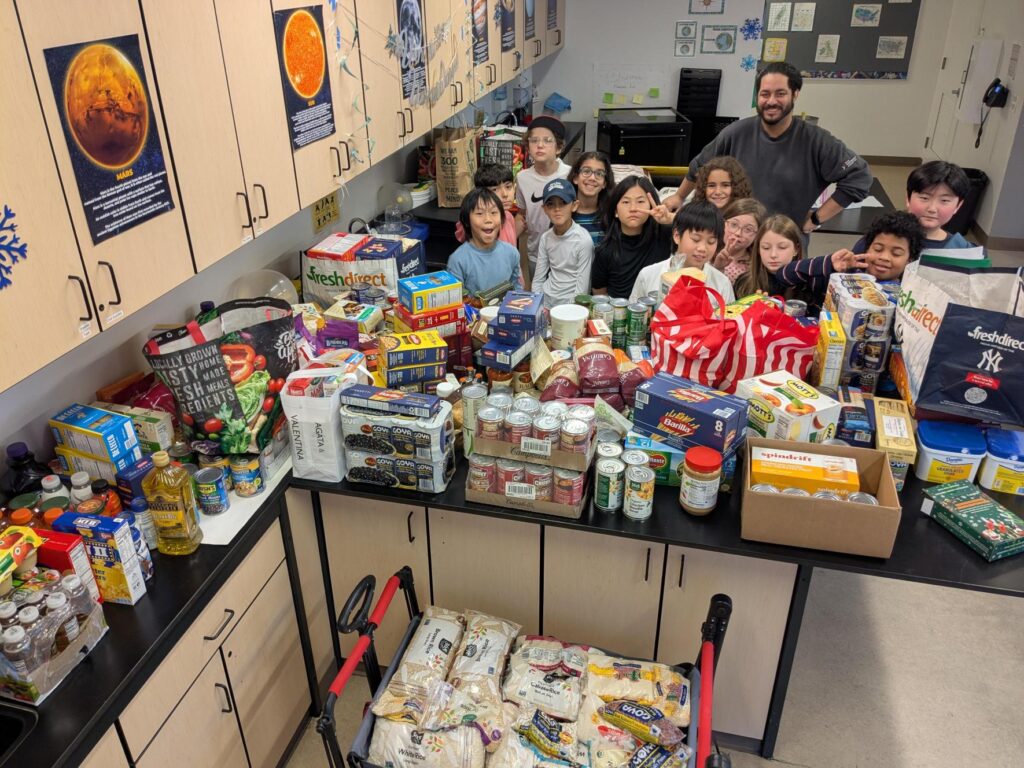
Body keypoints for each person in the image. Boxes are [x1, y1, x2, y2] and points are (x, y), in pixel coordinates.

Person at [664, 62, 872, 234]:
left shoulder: (817, 141)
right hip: (736, 240)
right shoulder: (736, 133)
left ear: (795, 94)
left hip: (783, 244)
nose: (771, 101)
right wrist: (680, 196)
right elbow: (700, 166)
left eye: (780, 93)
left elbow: (859, 177)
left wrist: (817, 218)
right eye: (765, 94)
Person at [776, 211, 925, 311]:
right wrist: (828, 263)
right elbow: (784, 275)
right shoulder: (841, 276)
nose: (884, 257)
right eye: (878, 249)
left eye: (896, 253)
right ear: (867, 249)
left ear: (909, 260)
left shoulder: (907, 297)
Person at [851, 161, 973, 253]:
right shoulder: (879, 240)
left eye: (944, 200)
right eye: (924, 198)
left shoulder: (962, 250)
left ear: (958, 206)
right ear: (908, 198)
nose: (932, 208)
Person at [630, 201, 734, 304]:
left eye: (711, 242)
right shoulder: (648, 275)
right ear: (677, 236)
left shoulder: (722, 284)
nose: (702, 248)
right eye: (696, 239)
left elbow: (730, 320)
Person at [591, 175, 675, 300]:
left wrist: (670, 218)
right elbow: (599, 292)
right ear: (615, 211)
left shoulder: (666, 235)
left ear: (652, 206)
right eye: (625, 202)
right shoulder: (605, 250)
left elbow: (704, 228)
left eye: (640, 201)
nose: (633, 208)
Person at [514, 116, 571, 287]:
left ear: (558, 147)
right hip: (535, 252)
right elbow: (522, 214)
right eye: (534, 140)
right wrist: (505, 240)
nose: (540, 145)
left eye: (547, 141)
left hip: (566, 252)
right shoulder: (522, 177)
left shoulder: (569, 175)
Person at [446, 188, 521, 296]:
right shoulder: (458, 260)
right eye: (480, 213)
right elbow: (456, 301)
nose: (488, 219)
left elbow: (517, 289)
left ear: (502, 219)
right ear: (467, 221)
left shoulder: (512, 253)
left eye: (494, 212)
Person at [533, 179, 594, 308]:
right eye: (551, 204)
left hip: (570, 305)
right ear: (544, 208)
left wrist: (568, 311)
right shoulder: (545, 238)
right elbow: (538, 279)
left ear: (574, 205)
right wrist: (538, 305)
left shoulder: (583, 240)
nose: (557, 209)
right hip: (546, 302)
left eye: (563, 203)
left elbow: (582, 288)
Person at [734, 214, 807, 299]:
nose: (773, 255)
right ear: (758, 249)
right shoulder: (743, 283)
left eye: (782, 247)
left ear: (796, 249)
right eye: (766, 247)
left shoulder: (807, 286)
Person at [453, 163, 518, 246]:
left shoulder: (509, 217)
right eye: (494, 189)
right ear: (480, 192)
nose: (505, 194)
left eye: (508, 187)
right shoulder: (476, 222)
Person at [712, 198, 767, 285]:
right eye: (734, 225)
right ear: (723, 223)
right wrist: (717, 268)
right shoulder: (708, 252)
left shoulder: (755, 266)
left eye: (748, 229)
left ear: (757, 235)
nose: (738, 233)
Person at [568, 150, 615, 245]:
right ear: (575, 178)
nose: (592, 178)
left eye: (599, 174)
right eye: (586, 171)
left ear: (604, 183)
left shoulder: (611, 215)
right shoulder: (563, 212)